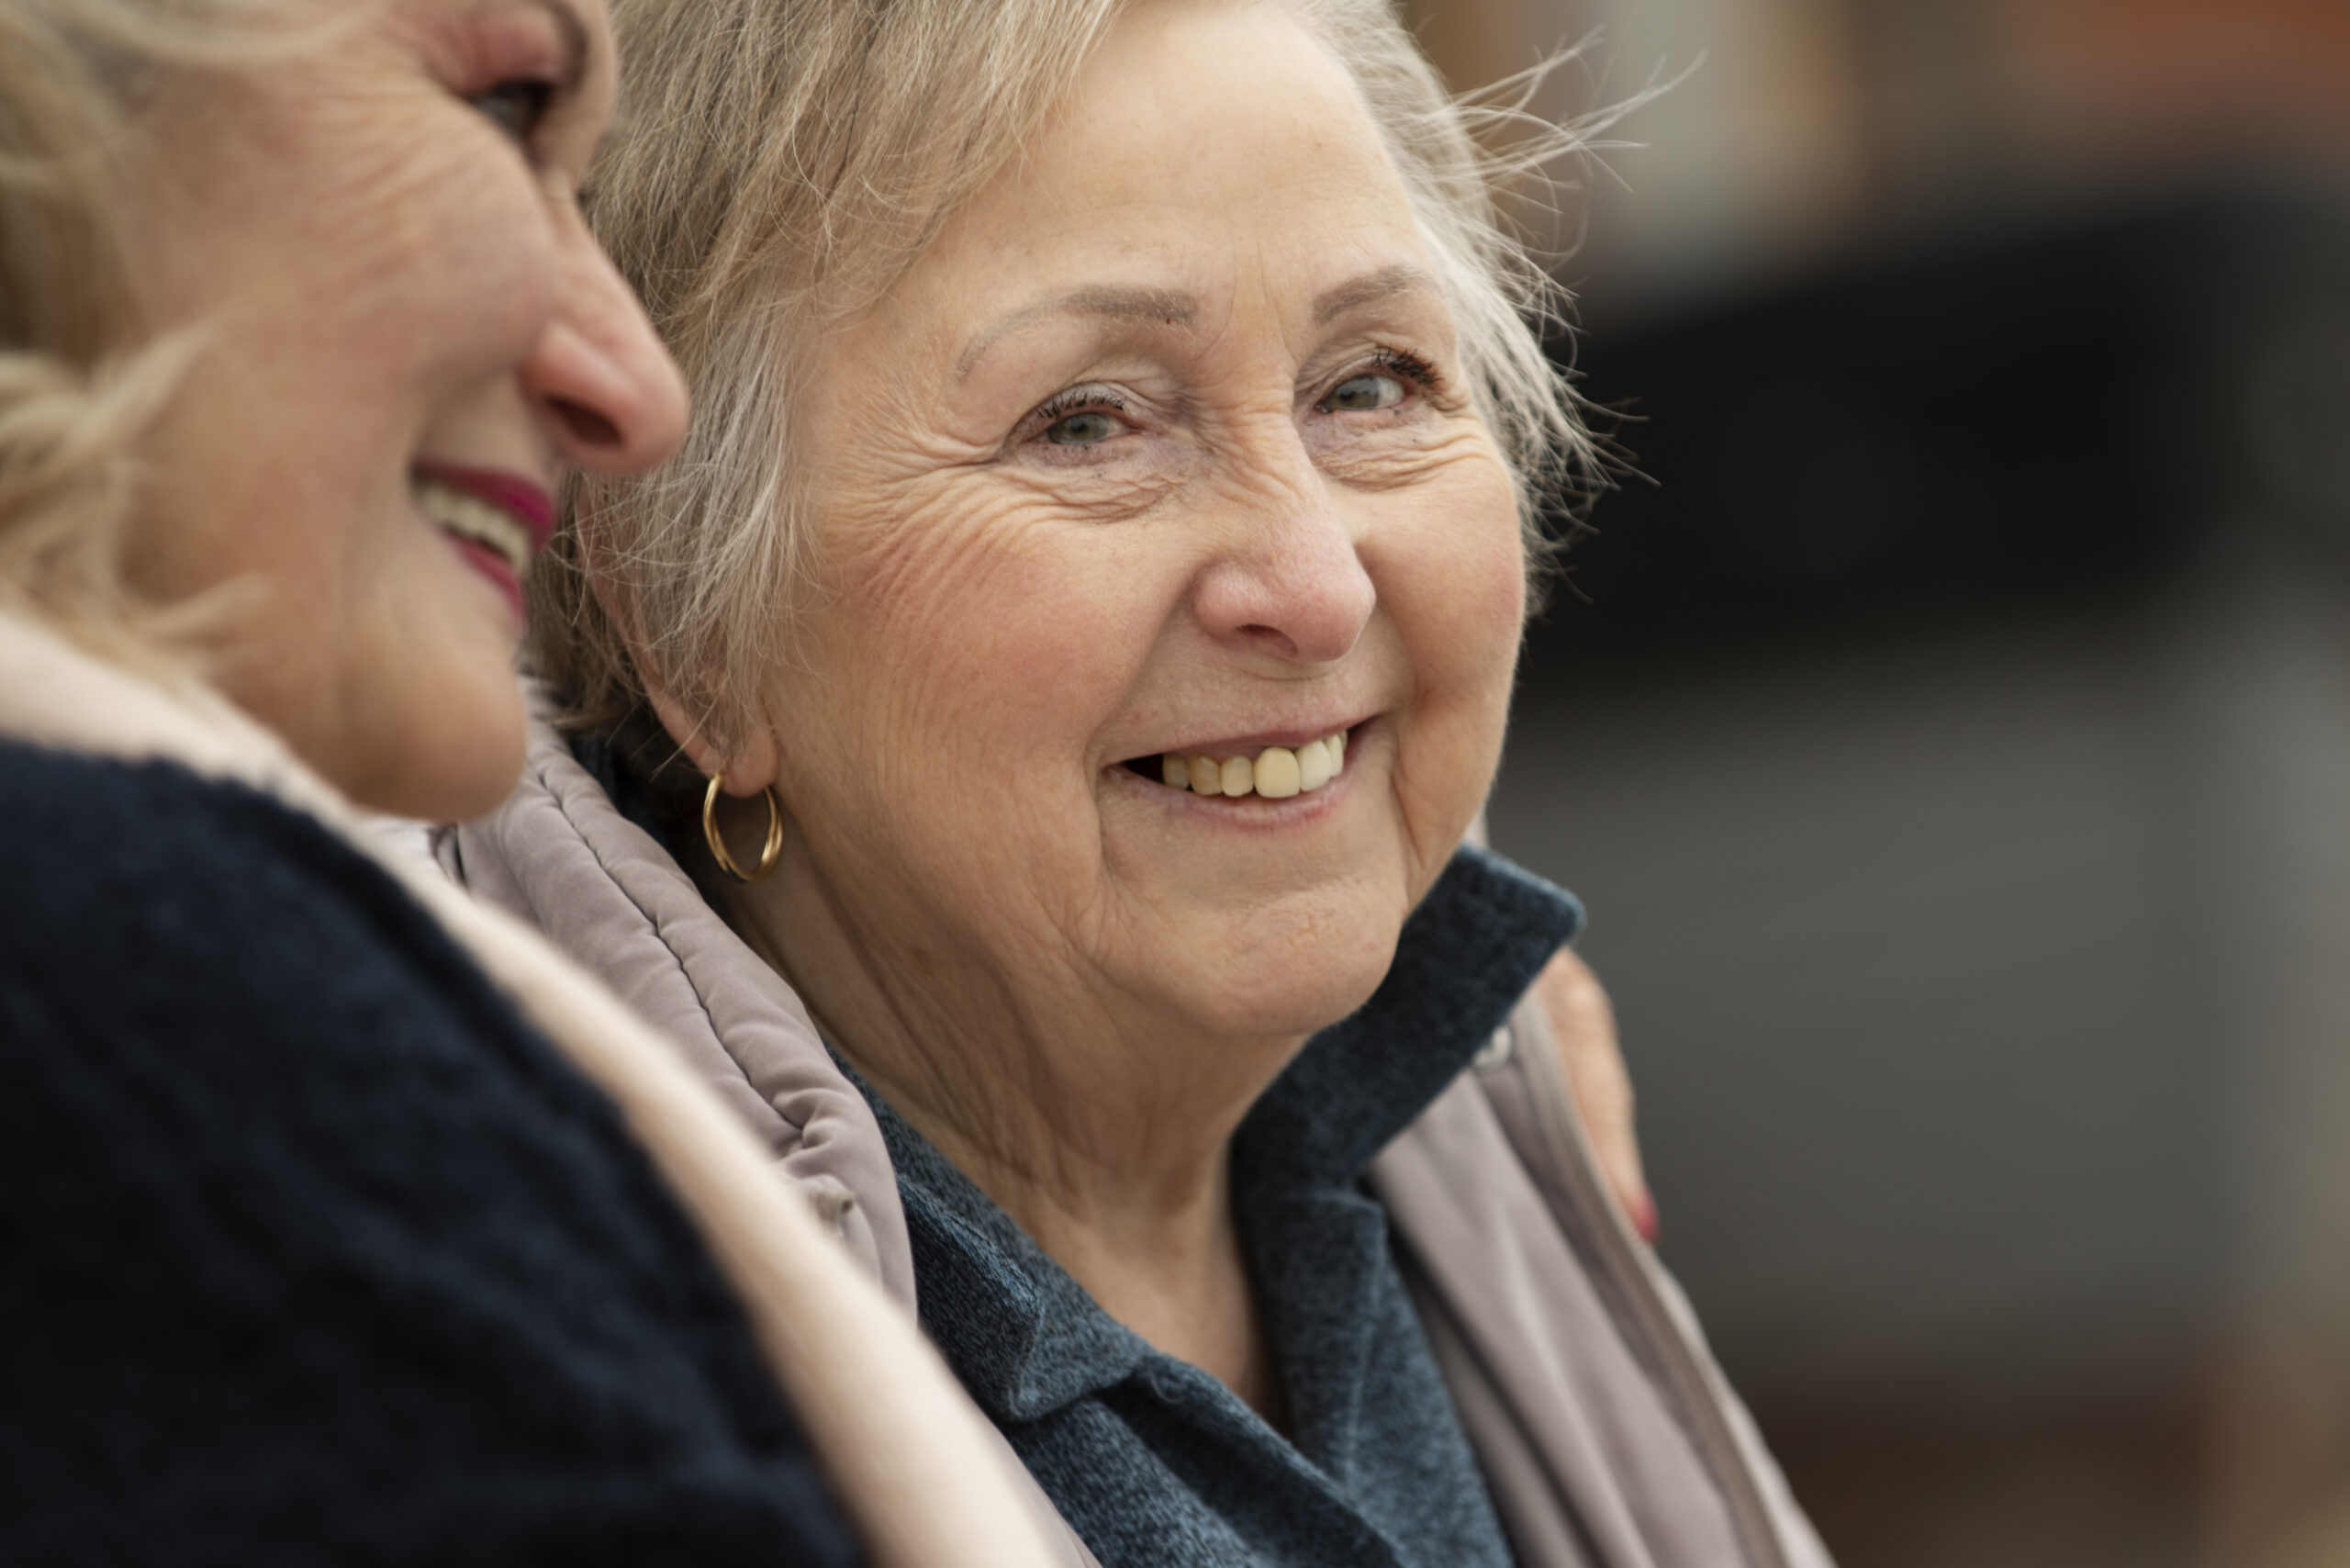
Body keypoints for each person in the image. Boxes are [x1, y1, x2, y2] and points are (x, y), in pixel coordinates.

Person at [452, 0, 1832, 1564]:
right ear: (688, 630)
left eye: (1371, 384)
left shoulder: (1480, 1119)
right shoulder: (530, 1373)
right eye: (1089, 422)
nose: (1316, 587)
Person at [0, 2, 1064, 1563]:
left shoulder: (1499, 1162)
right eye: (505, 108)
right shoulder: (131, 993)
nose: (634, 397)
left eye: (1375, 387)